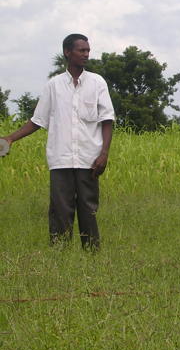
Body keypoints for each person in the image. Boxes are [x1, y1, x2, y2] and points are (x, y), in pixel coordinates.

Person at [1, 34, 115, 250]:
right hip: (61, 160)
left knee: (88, 210)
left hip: (88, 160)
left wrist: (104, 154)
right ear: (67, 52)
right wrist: (10, 138)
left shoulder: (97, 82)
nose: (86, 54)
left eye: (88, 50)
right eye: (81, 50)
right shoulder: (54, 85)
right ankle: (59, 258)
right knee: (60, 212)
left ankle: (92, 257)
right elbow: (37, 121)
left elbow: (107, 120)